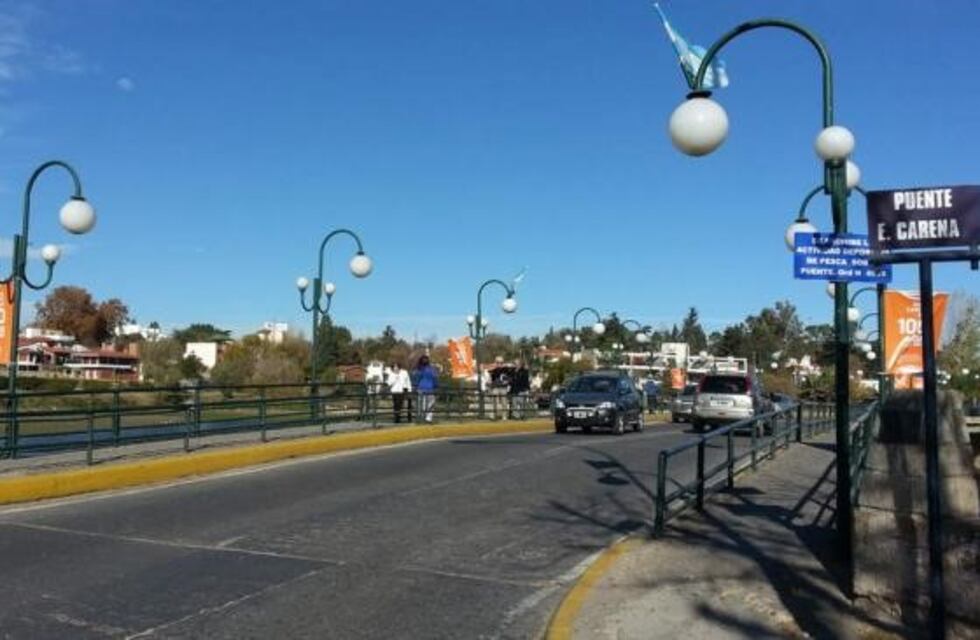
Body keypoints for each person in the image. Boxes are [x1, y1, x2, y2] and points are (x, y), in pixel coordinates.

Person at [414, 355, 438, 423]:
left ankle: (421, 417)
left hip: (421, 388)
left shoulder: (418, 370)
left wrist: (415, 386)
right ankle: (428, 418)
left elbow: (416, 379)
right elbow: (435, 379)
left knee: (422, 404)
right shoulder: (432, 370)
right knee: (430, 404)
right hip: (430, 389)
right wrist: (436, 386)